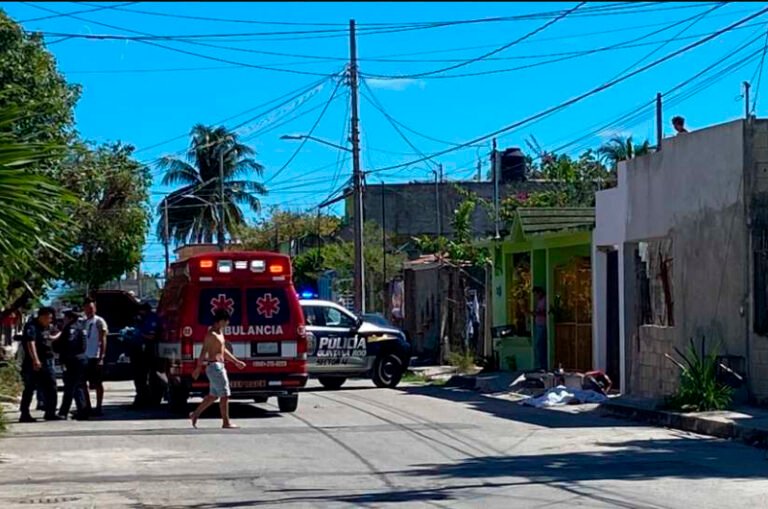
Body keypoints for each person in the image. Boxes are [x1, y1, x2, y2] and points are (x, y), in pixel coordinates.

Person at [189, 310, 246, 429]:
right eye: (226, 321)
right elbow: (203, 351)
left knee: (213, 396)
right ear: (220, 321)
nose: (227, 324)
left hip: (219, 365)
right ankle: (226, 422)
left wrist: (236, 361)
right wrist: (198, 368)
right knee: (224, 394)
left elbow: (223, 351)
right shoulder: (211, 335)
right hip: (215, 367)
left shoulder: (220, 333)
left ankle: (195, 414)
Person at [19, 307, 61, 422]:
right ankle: (24, 413)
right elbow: (30, 343)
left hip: (47, 360)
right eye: (49, 318)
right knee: (30, 388)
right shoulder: (31, 326)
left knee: (51, 387)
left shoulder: (45, 327)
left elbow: (48, 338)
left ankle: (50, 412)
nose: (50, 320)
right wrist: (35, 359)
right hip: (34, 363)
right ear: (42, 316)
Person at [56, 310, 89, 420]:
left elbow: (70, 343)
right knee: (77, 386)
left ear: (70, 318)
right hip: (80, 359)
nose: (63, 320)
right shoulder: (80, 327)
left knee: (70, 387)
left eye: (65, 317)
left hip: (73, 360)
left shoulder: (71, 328)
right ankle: (82, 410)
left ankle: (64, 412)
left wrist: (57, 346)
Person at [130, 303, 160, 408]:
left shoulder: (152, 319)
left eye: (141, 311)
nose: (139, 313)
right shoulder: (140, 319)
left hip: (148, 351)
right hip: (138, 350)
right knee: (139, 377)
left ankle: (150, 399)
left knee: (150, 376)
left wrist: (140, 333)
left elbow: (152, 336)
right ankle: (141, 398)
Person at [83, 298, 108, 416]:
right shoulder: (84, 322)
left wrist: (101, 356)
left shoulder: (99, 321)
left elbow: (103, 339)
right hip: (85, 356)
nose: (89, 310)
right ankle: (87, 406)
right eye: (87, 308)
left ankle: (99, 406)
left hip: (95, 355)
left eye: (92, 308)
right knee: (84, 383)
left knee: (98, 383)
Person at [532, 287, 549, 371]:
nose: (536, 296)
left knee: (541, 344)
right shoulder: (539, 301)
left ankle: (544, 365)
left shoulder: (545, 300)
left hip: (543, 325)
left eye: (536, 294)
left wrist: (535, 313)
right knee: (539, 345)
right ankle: (541, 364)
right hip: (538, 324)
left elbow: (544, 312)